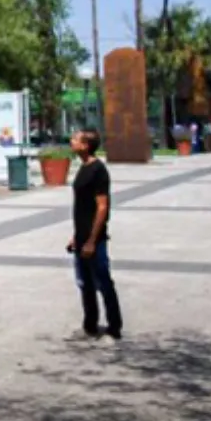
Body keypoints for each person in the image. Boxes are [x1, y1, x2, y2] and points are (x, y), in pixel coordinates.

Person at [67, 128, 123, 341]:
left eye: (75, 139)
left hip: (95, 239)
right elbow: (82, 207)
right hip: (82, 236)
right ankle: (90, 324)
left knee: (103, 282)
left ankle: (114, 325)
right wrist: (76, 236)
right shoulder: (83, 167)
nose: (71, 141)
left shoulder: (98, 170)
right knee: (84, 282)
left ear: (85, 145)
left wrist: (92, 239)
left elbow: (102, 207)